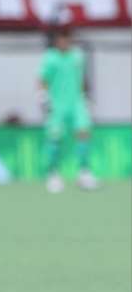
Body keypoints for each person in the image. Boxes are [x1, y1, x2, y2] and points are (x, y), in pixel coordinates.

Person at [38, 25, 98, 193]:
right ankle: (53, 174)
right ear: (56, 40)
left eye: (67, 36)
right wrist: (43, 97)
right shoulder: (50, 57)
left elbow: (82, 78)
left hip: (76, 102)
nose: (64, 40)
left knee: (83, 133)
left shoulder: (78, 56)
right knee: (55, 137)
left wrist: (86, 96)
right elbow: (42, 79)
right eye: (61, 37)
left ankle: (84, 174)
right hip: (57, 105)